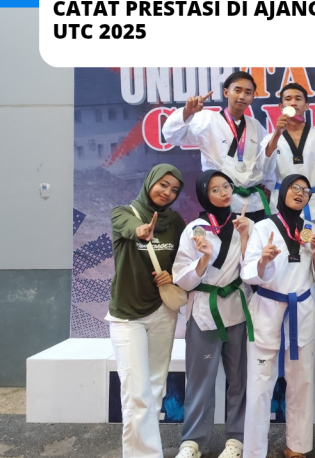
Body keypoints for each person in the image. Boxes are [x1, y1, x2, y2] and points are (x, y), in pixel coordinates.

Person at [241, 174, 315, 458]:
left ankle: (297, 446)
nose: (300, 193)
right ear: (283, 191)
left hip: (300, 311)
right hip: (268, 309)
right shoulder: (263, 227)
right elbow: (247, 272)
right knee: (259, 386)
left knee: (302, 383)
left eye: (306, 190)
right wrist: (263, 260)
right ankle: (254, 451)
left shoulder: (311, 229)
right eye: (294, 188)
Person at [172, 171, 254, 458]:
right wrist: (204, 258)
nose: (223, 192)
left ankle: (237, 440)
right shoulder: (195, 229)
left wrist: (245, 237)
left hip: (238, 310)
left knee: (239, 380)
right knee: (199, 382)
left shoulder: (245, 224)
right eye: (215, 189)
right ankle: (192, 442)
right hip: (204, 312)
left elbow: (253, 271)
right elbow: (182, 278)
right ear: (204, 195)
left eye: (226, 186)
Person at [107, 164, 186, 458]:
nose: (167, 192)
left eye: (174, 189)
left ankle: (147, 452)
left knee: (155, 389)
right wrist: (141, 231)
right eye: (163, 184)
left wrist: (172, 275)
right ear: (150, 182)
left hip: (163, 311)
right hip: (128, 314)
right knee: (136, 393)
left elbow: (183, 261)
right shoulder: (122, 213)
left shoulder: (176, 222)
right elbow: (131, 228)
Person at [261, 82, 315, 349]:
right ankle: (279, 321)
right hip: (281, 209)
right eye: (288, 99)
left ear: (307, 105)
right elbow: (264, 169)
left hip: (314, 207)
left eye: (299, 98)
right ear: (280, 106)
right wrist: (276, 133)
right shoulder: (271, 136)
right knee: (282, 261)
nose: (293, 103)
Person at [163, 70, 274, 220]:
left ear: (253, 97)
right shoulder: (207, 119)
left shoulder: (256, 126)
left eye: (248, 92)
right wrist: (187, 112)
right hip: (221, 199)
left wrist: (268, 186)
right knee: (224, 235)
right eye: (237, 90)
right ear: (226, 92)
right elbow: (171, 136)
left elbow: (266, 162)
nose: (242, 96)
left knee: (255, 235)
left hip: (254, 202)